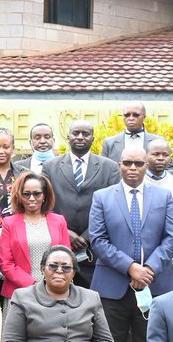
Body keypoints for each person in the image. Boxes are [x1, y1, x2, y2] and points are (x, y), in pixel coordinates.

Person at [88, 145, 173, 342]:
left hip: (154, 287)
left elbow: (171, 240)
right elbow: (98, 241)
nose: (133, 168)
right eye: (127, 163)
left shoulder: (163, 197)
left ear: (147, 164)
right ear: (119, 164)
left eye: (139, 163)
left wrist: (147, 269)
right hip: (113, 288)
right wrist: (130, 268)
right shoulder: (102, 197)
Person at [41, 121, 120, 288]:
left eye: (86, 134)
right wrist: (65, 231)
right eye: (76, 133)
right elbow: (45, 203)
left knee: (91, 301)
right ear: (68, 137)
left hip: (95, 250)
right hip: (58, 246)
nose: (80, 137)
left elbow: (113, 207)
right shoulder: (50, 167)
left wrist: (87, 236)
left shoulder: (110, 168)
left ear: (93, 139)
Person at [0, 171, 71, 301]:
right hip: (20, 292)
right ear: (19, 196)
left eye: (37, 194)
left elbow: (67, 258)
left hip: (54, 291)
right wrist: (34, 285)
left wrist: (49, 286)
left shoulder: (59, 221)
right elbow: (6, 263)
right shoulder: (9, 223)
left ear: (44, 196)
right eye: (26, 194)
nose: (32, 198)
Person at [101, 102, 168, 163]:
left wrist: (154, 176)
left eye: (136, 115)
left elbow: (170, 169)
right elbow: (104, 169)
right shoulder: (109, 143)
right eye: (127, 115)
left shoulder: (159, 141)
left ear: (144, 117)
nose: (131, 118)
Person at [144, 139, 173, 217]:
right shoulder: (138, 180)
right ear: (146, 156)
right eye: (156, 154)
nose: (161, 158)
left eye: (165, 155)